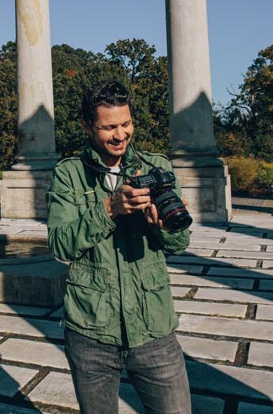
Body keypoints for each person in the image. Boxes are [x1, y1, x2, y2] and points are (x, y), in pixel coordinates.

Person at [46, 79, 191, 414]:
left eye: (126, 124)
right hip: (91, 331)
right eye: (109, 127)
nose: (120, 135)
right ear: (87, 125)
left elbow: (180, 243)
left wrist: (164, 227)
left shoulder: (158, 168)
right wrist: (108, 209)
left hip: (153, 328)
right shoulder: (68, 175)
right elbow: (60, 245)